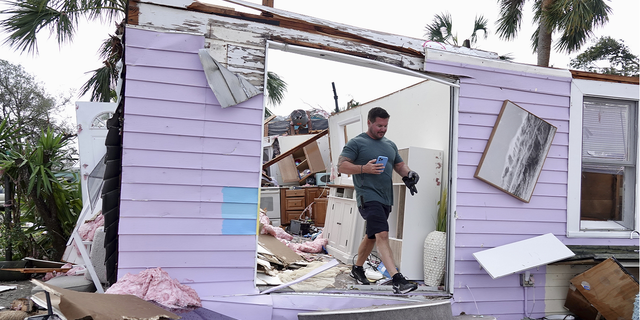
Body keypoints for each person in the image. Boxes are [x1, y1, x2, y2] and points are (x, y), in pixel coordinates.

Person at [337, 107, 420, 294]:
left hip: (386, 198)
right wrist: (363, 169)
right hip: (368, 196)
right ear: (369, 122)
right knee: (382, 234)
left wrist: (409, 174)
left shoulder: (390, 144)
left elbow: (398, 164)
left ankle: (357, 269)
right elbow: (342, 165)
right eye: (379, 125)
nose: (382, 129)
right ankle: (398, 280)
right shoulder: (357, 143)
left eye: (385, 126)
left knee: (372, 236)